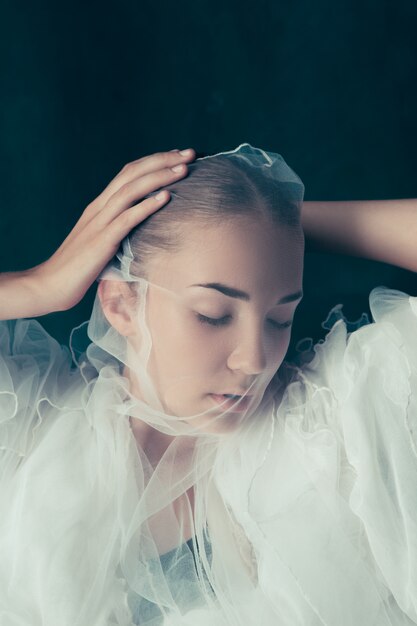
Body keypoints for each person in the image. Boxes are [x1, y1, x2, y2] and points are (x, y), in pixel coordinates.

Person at [0, 144, 416, 626]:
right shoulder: (27, 425)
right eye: (212, 315)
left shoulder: (324, 430)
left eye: (280, 319)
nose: (255, 358)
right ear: (119, 305)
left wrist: (273, 215)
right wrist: (39, 285)